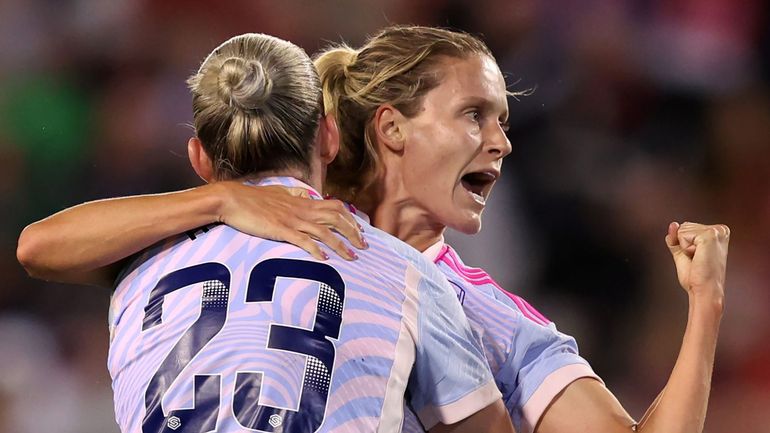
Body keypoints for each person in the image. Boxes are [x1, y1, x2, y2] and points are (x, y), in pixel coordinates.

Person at [17, 26, 730, 433]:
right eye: (474, 114)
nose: (502, 142)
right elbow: (40, 247)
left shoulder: (483, 308)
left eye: (504, 121)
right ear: (389, 128)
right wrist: (226, 200)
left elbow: (41, 247)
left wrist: (704, 306)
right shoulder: (321, 240)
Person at [18, 32, 516, 433]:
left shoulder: (141, 256)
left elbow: (36, 247)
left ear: (199, 158)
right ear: (329, 137)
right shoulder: (399, 267)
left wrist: (217, 200)